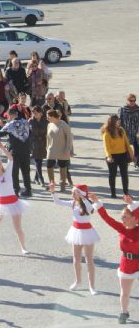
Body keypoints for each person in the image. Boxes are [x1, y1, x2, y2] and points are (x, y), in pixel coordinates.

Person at [93, 196, 139, 324]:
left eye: (125, 217)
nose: (122, 219)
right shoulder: (121, 228)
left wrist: (132, 204)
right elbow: (107, 219)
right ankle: (124, 312)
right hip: (126, 264)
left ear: (135, 218)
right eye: (122, 217)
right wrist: (97, 203)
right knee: (124, 293)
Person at [49, 183, 100, 295]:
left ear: (80, 194)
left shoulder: (87, 204)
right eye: (72, 192)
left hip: (87, 232)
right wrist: (53, 191)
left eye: (74, 192)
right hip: (76, 231)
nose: (72, 194)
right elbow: (58, 202)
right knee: (76, 260)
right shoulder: (72, 203)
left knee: (89, 261)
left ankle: (92, 286)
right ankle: (78, 281)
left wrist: (83, 197)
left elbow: (91, 209)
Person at [0, 108, 32, 197]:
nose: (8, 118)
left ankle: (16, 191)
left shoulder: (10, 125)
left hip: (15, 151)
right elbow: (31, 134)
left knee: (14, 172)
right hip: (26, 150)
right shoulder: (25, 122)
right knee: (26, 171)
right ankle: (28, 190)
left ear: (10, 115)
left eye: (8, 116)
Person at [102, 114, 133, 198]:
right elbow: (106, 146)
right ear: (111, 122)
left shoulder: (121, 130)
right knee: (112, 174)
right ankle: (113, 193)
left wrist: (131, 154)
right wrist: (109, 156)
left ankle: (126, 193)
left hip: (123, 155)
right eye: (116, 120)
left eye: (118, 120)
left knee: (124, 174)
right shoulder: (107, 133)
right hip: (112, 157)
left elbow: (127, 143)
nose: (118, 122)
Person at [46, 110, 73, 193]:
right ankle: (52, 183)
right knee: (49, 165)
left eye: (48, 116)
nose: (47, 118)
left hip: (63, 149)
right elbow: (47, 137)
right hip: (51, 149)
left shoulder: (63, 124)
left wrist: (68, 149)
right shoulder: (49, 125)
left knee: (62, 167)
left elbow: (69, 137)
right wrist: (47, 147)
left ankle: (62, 185)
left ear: (53, 116)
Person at [29, 106, 49, 187]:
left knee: (40, 161)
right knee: (37, 162)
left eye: (36, 113)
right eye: (33, 112)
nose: (34, 114)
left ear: (41, 113)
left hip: (43, 143)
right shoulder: (30, 121)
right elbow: (30, 132)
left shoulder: (45, 121)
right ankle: (41, 179)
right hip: (34, 143)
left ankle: (36, 178)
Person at [118, 93, 139, 167]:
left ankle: (137, 162)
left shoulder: (138, 109)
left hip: (136, 133)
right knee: (124, 149)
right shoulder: (122, 109)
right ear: (127, 100)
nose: (132, 102)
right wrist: (119, 131)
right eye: (131, 100)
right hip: (125, 133)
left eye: (134, 100)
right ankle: (126, 161)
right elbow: (119, 122)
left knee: (137, 148)